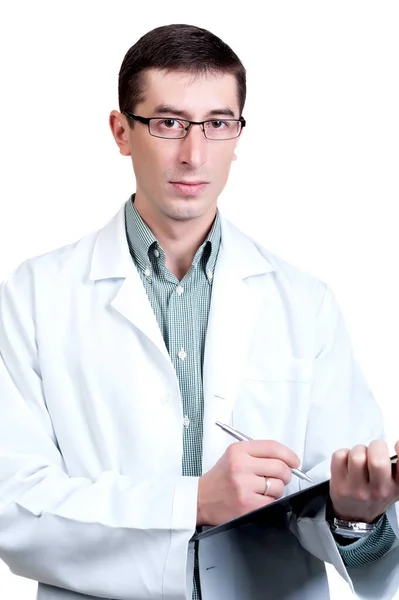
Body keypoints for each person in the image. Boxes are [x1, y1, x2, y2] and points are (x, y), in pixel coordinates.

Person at [0, 23, 398, 600]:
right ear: (121, 131)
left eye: (217, 124)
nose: (194, 154)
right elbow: (13, 503)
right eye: (168, 123)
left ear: (238, 133)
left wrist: (354, 515)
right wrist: (193, 503)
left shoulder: (304, 303)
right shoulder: (35, 295)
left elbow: (340, 507)